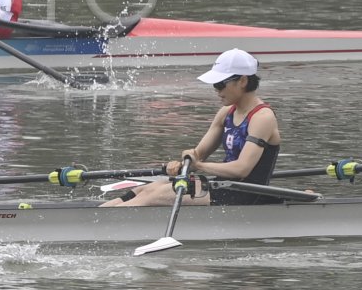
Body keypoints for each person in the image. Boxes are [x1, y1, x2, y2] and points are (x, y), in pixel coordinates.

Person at [101, 48, 282, 207]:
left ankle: (100, 227)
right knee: (149, 188)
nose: (216, 91)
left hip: (245, 194)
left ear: (242, 81)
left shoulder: (262, 117)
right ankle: (99, 213)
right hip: (224, 185)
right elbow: (198, 154)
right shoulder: (226, 113)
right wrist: (183, 162)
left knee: (157, 195)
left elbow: (241, 169)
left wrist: (200, 166)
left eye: (220, 85)